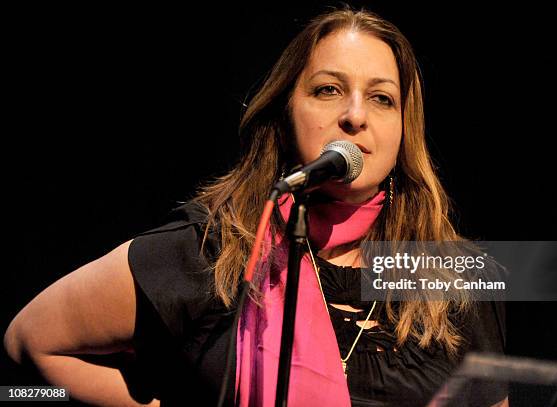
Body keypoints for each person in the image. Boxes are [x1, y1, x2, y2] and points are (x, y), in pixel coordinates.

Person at [4, 7, 508, 407]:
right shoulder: (213, 250)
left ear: (403, 131)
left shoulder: (456, 276)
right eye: (328, 90)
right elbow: (31, 340)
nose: (355, 116)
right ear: (285, 112)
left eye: (381, 98)